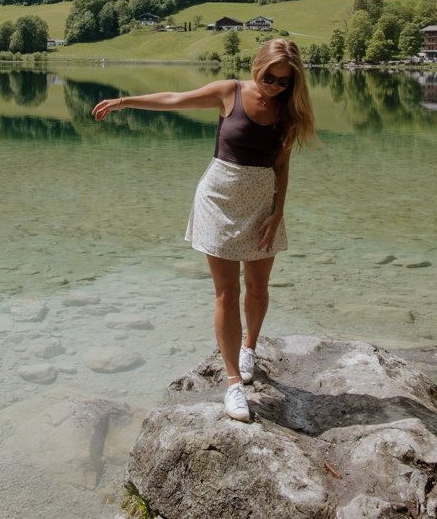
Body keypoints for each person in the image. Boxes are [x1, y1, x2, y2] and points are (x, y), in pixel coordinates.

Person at [92, 37, 317, 423]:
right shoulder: (229, 92)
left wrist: (278, 213)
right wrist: (125, 101)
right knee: (227, 292)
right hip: (218, 199)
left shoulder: (288, 112)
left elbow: (281, 166)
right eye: (271, 77)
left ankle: (249, 347)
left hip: (262, 204)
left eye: (284, 81)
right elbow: (175, 99)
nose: (276, 86)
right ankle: (233, 384)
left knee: (259, 287)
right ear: (257, 66)